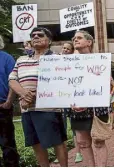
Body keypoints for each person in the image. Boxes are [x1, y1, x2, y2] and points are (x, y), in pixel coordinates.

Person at [9, 27, 68, 167]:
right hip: (27, 110)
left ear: (49, 40)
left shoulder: (56, 59)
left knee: (57, 142)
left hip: (49, 109)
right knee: (36, 144)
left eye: (39, 35)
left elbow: (60, 81)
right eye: (32, 35)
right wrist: (24, 94)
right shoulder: (21, 59)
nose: (35, 37)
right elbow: (12, 79)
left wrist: (35, 96)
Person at [68, 30, 111, 167]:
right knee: (82, 143)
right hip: (77, 108)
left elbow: (107, 85)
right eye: (74, 38)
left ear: (89, 42)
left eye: (79, 38)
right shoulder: (68, 63)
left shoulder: (101, 61)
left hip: (97, 107)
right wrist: (70, 102)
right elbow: (65, 86)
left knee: (99, 141)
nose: (75, 40)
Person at [54, 42, 83, 164]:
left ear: (71, 51)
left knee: (74, 128)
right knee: (62, 127)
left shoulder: (74, 63)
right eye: (64, 48)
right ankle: (61, 153)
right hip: (61, 100)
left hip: (72, 99)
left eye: (68, 49)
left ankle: (78, 153)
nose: (65, 50)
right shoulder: (56, 62)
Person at [0, 35, 20, 166]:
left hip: (2, 107)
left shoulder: (6, 58)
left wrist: (8, 102)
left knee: (7, 142)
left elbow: (13, 81)